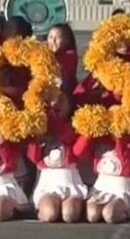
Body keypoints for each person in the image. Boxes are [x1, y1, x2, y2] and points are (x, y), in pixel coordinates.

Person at [28, 95, 87, 223]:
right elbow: (34, 157)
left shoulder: (76, 126)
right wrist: (39, 130)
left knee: (69, 215)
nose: (56, 104)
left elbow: (79, 152)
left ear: (70, 105)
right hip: (48, 186)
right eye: (50, 100)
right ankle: (41, 209)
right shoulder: (40, 127)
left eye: (62, 99)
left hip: (71, 185)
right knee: (50, 214)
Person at [47, 24, 79, 95]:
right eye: (50, 37)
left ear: (67, 41)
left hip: (65, 93)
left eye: (58, 38)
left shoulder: (70, 55)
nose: (53, 41)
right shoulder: (46, 54)